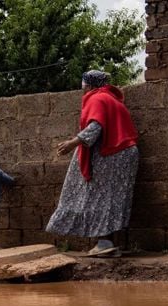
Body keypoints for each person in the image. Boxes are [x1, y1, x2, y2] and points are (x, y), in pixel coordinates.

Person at [46, 70, 140, 258]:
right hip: (125, 153)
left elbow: (95, 127)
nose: (82, 89)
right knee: (112, 198)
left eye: (83, 86)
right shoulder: (113, 99)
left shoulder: (97, 99)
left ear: (88, 86)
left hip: (112, 155)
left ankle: (104, 243)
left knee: (99, 196)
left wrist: (72, 143)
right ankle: (109, 243)